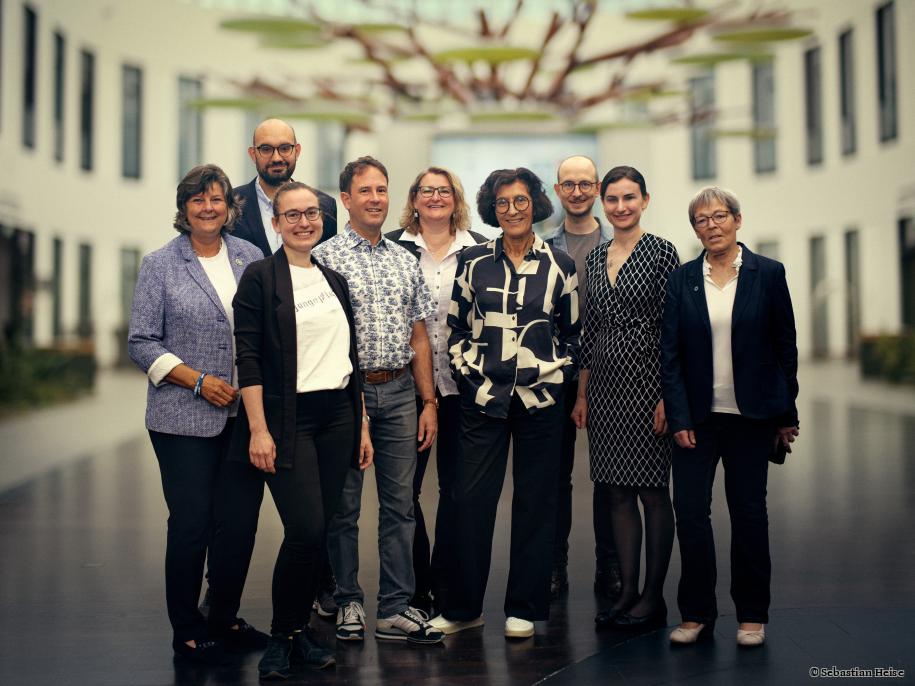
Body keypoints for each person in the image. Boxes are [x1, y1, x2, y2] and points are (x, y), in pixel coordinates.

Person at [230, 181, 374, 679]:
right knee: (305, 529)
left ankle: (299, 636)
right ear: (276, 224)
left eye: (311, 213)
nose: (304, 222)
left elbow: (349, 359)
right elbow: (246, 358)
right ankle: (279, 637)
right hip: (288, 419)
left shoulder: (334, 280)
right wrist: (258, 429)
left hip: (338, 415)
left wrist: (362, 424)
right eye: (292, 215)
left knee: (323, 532)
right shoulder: (259, 277)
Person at [430, 167, 580, 640]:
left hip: (541, 402)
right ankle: (462, 608)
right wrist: (467, 371)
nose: (511, 210)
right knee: (469, 500)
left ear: (535, 204)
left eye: (520, 201)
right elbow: (455, 327)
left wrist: (555, 377)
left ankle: (523, 607)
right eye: (501, 203)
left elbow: (572, 334)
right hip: (482, 398)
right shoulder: (474, 261)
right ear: (492, 209)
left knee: (536, 504)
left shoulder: (561, 266)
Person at [127, 164, 265, 664]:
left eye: (217, 199)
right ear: (184, 208)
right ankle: (186, 626)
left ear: (231, 207)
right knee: (192, 524)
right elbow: (141, 342)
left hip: (244, 416)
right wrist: (199, 381)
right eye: (197, 199)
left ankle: (223, 615)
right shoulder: (160, 264)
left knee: (239, 524)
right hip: (180, 417)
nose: (208, 208)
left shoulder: (251, 257)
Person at [313, 156, 445, 645]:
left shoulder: (404, 259)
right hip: (347, 393)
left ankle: (395, 607)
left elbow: (421, 337)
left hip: (400, 392)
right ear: (345, 199)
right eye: (364, 190)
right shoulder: (325, 259)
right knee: (344, 506)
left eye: (382, 190)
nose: (375, 198)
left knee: (401, 506)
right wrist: (358, 408)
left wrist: (429, 400)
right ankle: (348, 600)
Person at [661, 186, 799, 647]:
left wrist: (785, 413)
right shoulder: (681, 280)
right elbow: (672, 356)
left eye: (720, 216)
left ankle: (751, 614)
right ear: (695, 229)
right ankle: (697, 612)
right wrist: (678, 416)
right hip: (697, 420)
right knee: (692, 517)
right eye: (701, 220)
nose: (711, 225)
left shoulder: (768, 274)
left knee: (749, 514)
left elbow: (785, 349)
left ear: (738, 220)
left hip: (750, 418)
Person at [571, 166, 680, 631]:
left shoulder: (661, 253)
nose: (620, 207)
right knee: (614, 491)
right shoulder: (595, 260)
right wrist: (583, 395)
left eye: (629, 198)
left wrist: (667, 396)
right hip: (606, 388)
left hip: (648, 384)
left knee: (653, 493)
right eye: (612, 199)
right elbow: (588, 330)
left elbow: (674, 330)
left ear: (645, 200)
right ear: (603, 203)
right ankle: (628, 591)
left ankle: (654, 597)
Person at [387, 167, 488, 615]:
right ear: (414, 198)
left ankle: (449, 586)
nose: (434, 197)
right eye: (425, 190)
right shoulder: (392, 248)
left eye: (443, 190)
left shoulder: (481, 248)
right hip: (408, 390)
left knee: (460, 493)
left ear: (455, 198)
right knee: (404, 493)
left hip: (466, 389)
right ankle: (417, 587)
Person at [544, 155, 620, 600]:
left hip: (611, 372)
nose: (576, 191)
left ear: (596, 189)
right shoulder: (542, 246)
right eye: (568, 184)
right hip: (556, 373)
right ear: (557, 190)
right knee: (556, 477)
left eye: (585, 184)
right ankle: (555, 564)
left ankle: (609, 565)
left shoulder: (618, 241)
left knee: (609, 474)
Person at [233, 118, 337, 256]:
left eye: (285, 148)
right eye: (266, 149)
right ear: (253, 154)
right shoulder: (231, 203)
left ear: (297, 151)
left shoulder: (325, 205)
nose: (276, 158)